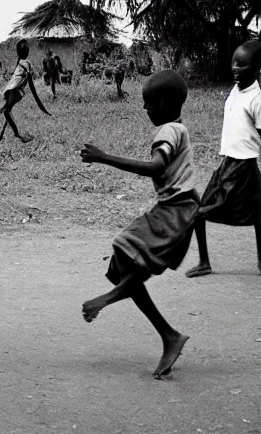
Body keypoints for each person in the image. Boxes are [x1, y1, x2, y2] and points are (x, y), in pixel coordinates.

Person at [78, 69, 198, 379]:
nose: (145, 110)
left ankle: (103, 301)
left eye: (147, 104)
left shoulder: (169, 131)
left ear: (161, 102)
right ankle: (169, 336)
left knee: (130, 258)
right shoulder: (177, 129)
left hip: (175, 212)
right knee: (122, 262)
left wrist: (105, 157)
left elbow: (156, 166)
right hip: (175, 209)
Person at [185, 40, 261, 278]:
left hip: (244, 165)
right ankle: (204, 262)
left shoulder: (258, 98)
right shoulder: (236, 90)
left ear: (257, 69)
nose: (235, 68)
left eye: (242, 64)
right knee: (200, 212)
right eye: (234, 63)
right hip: (228, 162)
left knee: (255, 214)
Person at [0, 39, 50, 143]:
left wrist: (37, 99)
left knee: (6, 111)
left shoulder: (25, 63)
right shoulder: (22, 63)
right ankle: (9, 135)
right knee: (6, 111)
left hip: (15, 91)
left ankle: (17, 134)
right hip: (13, 91)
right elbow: (20, 79)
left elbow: (28, 80)